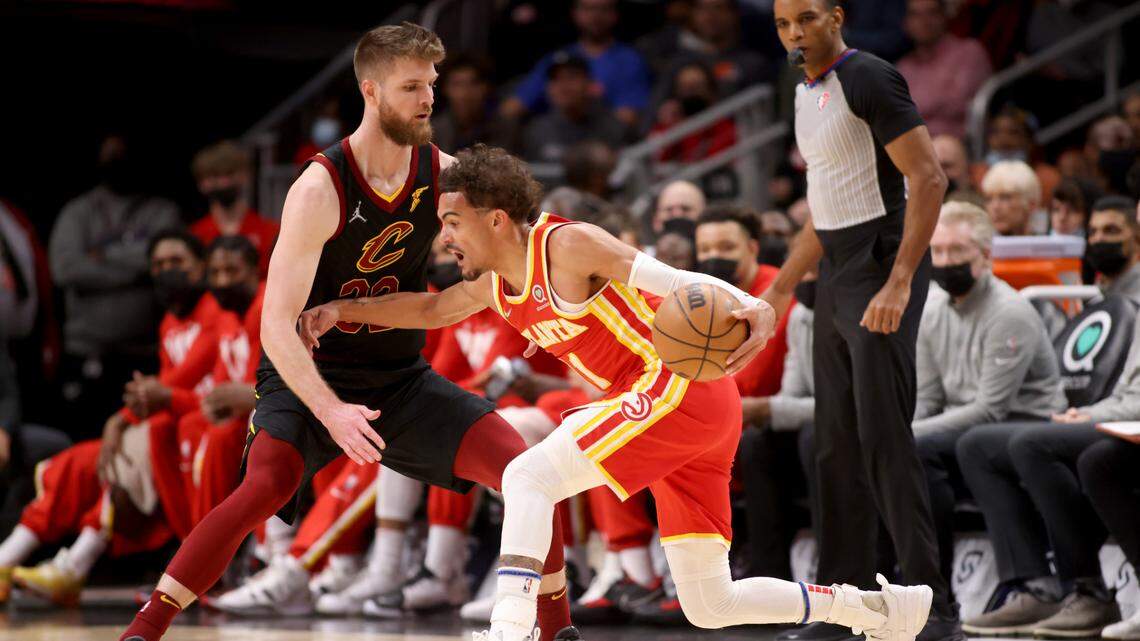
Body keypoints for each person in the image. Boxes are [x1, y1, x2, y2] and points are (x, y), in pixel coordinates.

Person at [299, 144, 934, 641]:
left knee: (526, 476)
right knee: (710, 604)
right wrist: (345, 309)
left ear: (495, 218)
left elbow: (667, 276)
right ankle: (877, 610)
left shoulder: (566, 243)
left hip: (675, 385)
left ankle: (510, 625)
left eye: (453, 221)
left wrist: (754, 306)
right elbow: (434, 310)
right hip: (688, 413)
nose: (445, 237)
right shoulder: (496, 284)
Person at [117, 23, 572, 641]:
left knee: (526, 471)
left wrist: (551, 297)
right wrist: (330, 411)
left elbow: (503, 258)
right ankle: (143, 631)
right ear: (371, 90)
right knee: (267, 484)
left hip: (399, 378)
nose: (428, 99)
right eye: (411, 86)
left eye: (431, 85)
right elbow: (277, 329)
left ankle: (556, 632)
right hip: (310, 379)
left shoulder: (444, 173)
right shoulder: (319, 187)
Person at [763, 2, 961, 641]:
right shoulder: (804, 95)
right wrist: (778, 291)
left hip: (883, 260)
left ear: (836, 17)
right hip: (839, 271)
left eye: (806, 18)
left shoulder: (870, 76)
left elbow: (929, 180)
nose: (795, 32)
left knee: (884, 440)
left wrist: (901, 281)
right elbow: (823, 212)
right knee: (832, 447)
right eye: (783, 23)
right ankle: (839, 608)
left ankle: (932, 608)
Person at [956, 197, 1140, 637]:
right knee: (978, 445)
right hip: (1116, 414)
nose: (1098, 242)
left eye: (1113, 231)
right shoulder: (1105, 297)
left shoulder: (1012, 307)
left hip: (1117, 417)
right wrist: (1089, 413)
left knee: (1045, 446)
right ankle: (1034, 587)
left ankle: (1088, 591)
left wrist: (1089, 414)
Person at [913, 201, 1066, 592]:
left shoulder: (1009, 311)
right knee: (889, 447)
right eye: (939, 251)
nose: (946, 261)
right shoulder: (931, 310)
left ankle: (936, 586)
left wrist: (908, 434)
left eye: (957, 252)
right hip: (964, 428)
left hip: (1024, 423)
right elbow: (929, 398)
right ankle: (897, 579)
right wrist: (898, 430)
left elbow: (990, 410)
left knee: (919, 446)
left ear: (985, 256)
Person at [50, 134, 183, 433]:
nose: (116, 161)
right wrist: (135, 270)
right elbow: (66, 269)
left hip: (144, 354)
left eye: (122, 154)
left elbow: (160, 260)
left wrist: (101, 257)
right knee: (84, 441)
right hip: (87, 351)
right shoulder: (78, 212)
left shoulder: (162, 211)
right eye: (110, 155)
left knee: (142, 442)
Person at [502, 0, 651, 128]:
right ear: (575, 13)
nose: (595, 16)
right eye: (588, 9)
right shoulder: (558, 59)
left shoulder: (628, 61)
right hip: (552, 140)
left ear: (614, 14)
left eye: (603, 9)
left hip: (601, 143)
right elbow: (512, 108)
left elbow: (629, 117)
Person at [895, 0, 991, 139]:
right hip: (915, 149)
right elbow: (896, 115)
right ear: (906, 23)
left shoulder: (969, 52)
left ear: (944, 16)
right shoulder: (904, 67)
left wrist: (914, 107)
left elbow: (959, 104)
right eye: (915, 15)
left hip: (959, 146)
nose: (924, 21)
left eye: (932, 13)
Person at [521, 52, 629, 166]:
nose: (563, 86)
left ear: (589, 84)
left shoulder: (612, 127)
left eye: (571, 77)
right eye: (555, 79)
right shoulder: (536, 131)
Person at [189, 141, 280, 276]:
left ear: (245, 175)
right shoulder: (195, 235)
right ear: (201, 183)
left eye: (229, 173)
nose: (223, 182)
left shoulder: (271, 232)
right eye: (214, 176)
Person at [432, 53, 517, 153]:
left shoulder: (504, 127)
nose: (465, 93)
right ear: (445, 89)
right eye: (457, 84)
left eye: (473, 83)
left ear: (486, 87)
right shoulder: (434, 130)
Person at [982, 160, 1043, 236]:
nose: (995, 207)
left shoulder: (1051, 246)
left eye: (1005, 197)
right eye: (989, 199)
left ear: (1031, 205)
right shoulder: (978, 247)